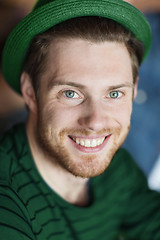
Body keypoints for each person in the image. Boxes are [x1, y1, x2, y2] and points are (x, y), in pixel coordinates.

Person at [0, 0, 160, 239]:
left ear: (135, 91)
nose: (95, 122)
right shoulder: (9, 206)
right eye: (71, 93)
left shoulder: (117, 170)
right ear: (30, 91)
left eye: (114, 93)